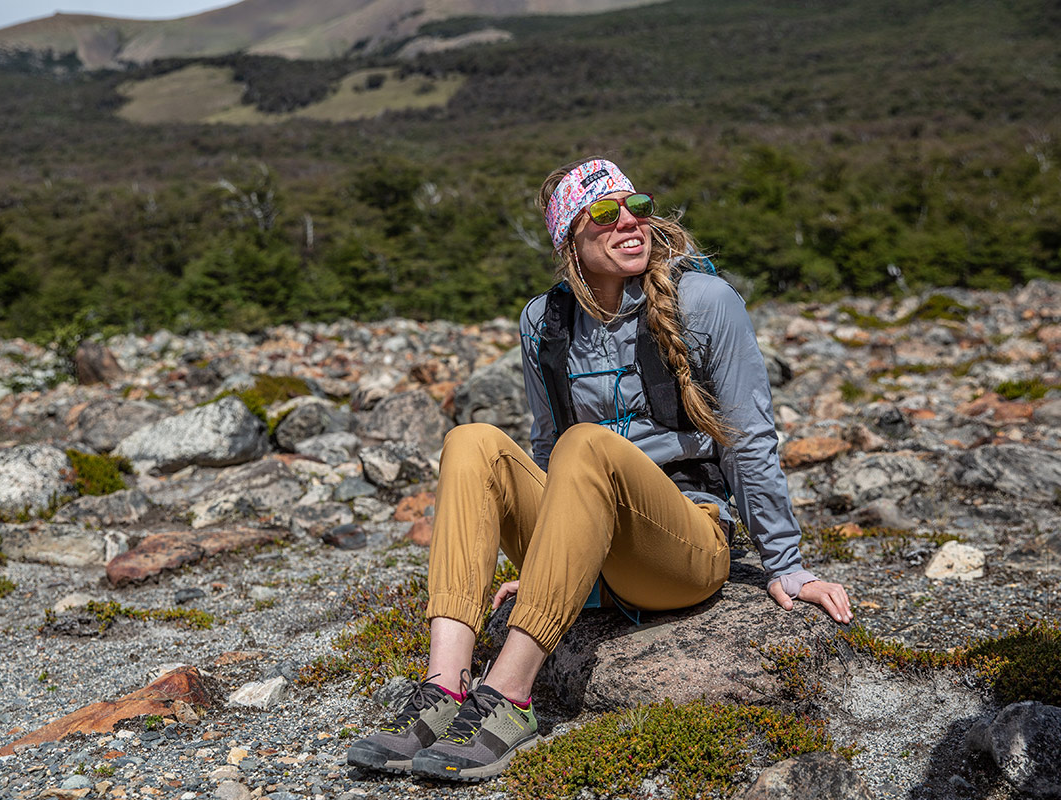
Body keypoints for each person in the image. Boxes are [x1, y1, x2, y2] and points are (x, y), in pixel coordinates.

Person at [346, 157, 853, 782]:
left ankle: (508, 697)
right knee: (471, 440)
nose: (630, 223)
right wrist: (541, 567)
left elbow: (749, 436)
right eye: (605, 215)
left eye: (635, 206)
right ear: (571, 243)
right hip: (592, 546)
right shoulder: (544, 322)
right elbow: (543, 444)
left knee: (585, 445)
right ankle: (442, 690)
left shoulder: (703, 300)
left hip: (681, 542)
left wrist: (785, 563)